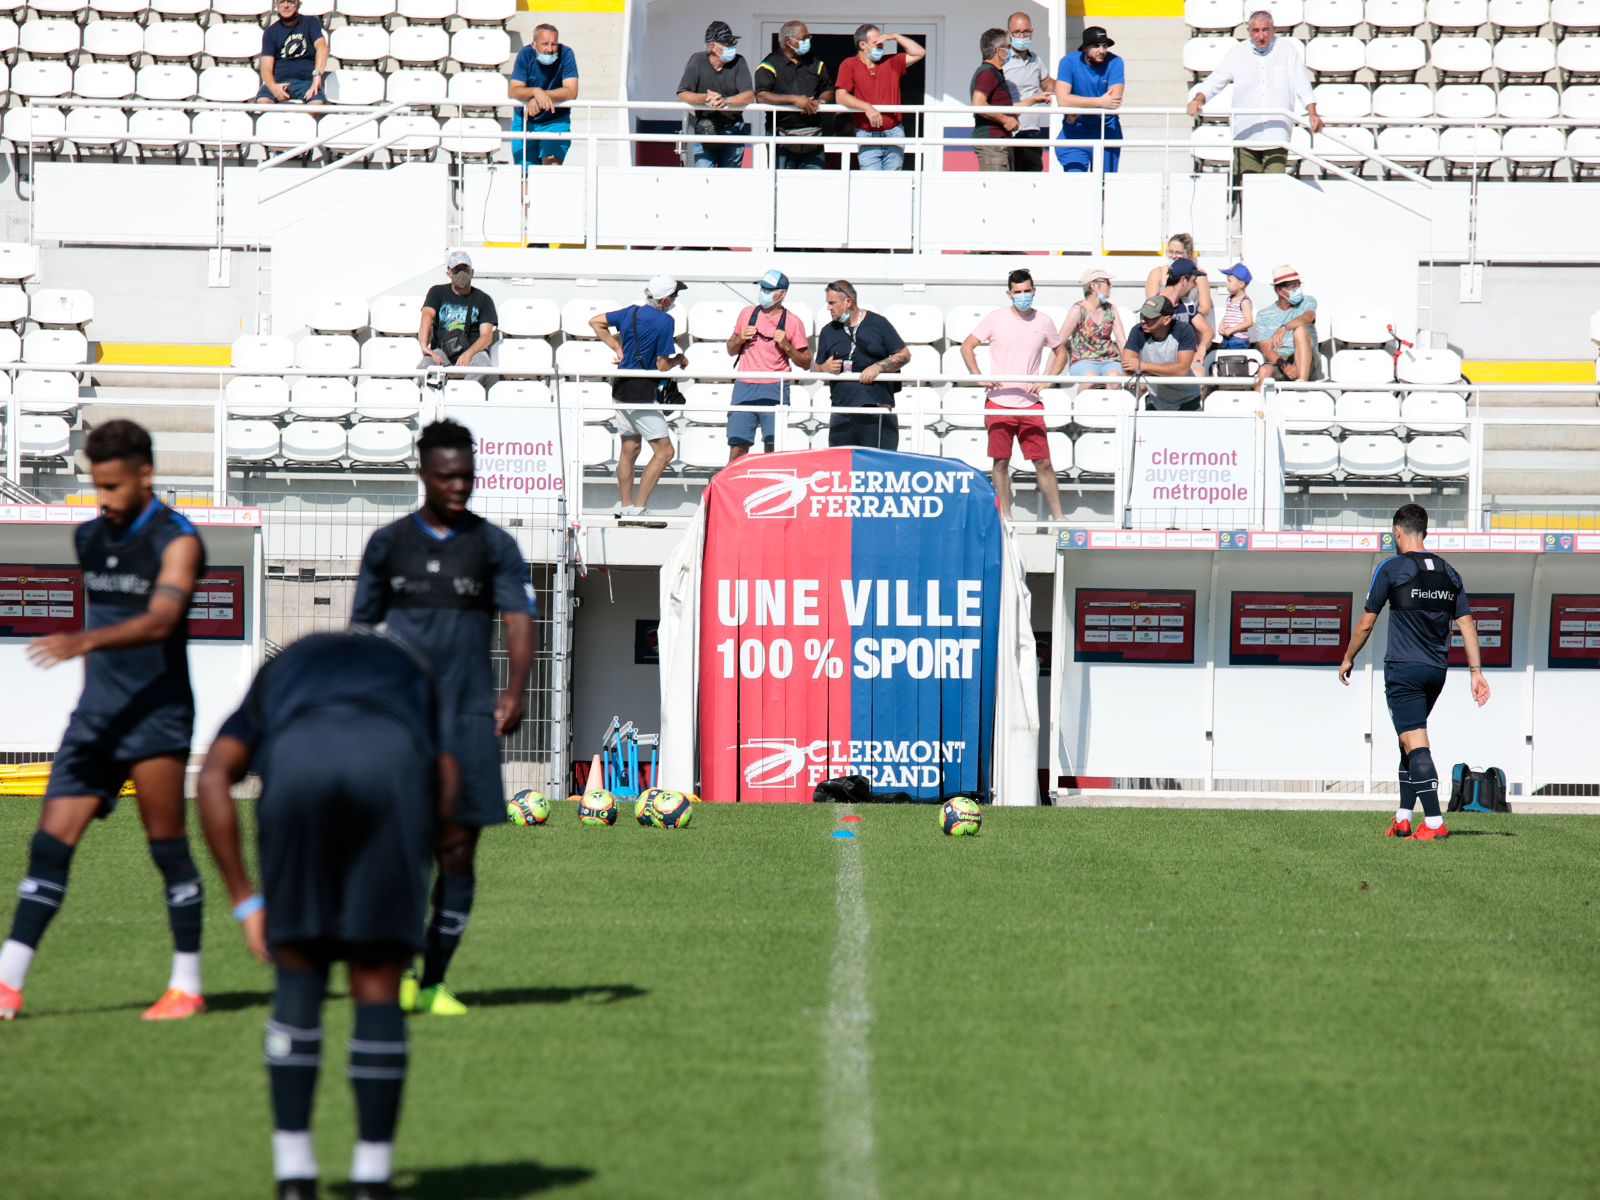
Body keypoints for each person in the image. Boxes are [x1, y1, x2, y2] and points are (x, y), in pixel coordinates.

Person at [196, 629, 459, 1199]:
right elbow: (447, 778)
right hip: (388, 771)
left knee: (299, 978)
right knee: (375, 982)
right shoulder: (414, 669)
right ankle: (371, 1179)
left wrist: (246, 901)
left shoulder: (281, 668)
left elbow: (213, 776)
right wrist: (426, 859)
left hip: (298, 769)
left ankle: (295, 1178)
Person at [1, 420, 206, 1022]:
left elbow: (163, 620)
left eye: (114, 486)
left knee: (167, 849)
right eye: (97, 486)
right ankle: (8, 983)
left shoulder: (178, 540)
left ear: (145, 474)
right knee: (48, 844)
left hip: (158, 717)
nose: (105, 499)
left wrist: (82, 642)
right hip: (95, 718)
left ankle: (187, 985)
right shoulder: (89, 537)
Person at [350, 419, 533, 1017]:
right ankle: (400, 970)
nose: (459, 487)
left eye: (467, 476)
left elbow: (517, 619)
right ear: (424, 474)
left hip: (470, 717)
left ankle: (433, 981)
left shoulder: (493, 545)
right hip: (401, 722)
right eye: (447, 477)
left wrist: (516, 689)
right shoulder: (388, 544)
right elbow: (361, 632)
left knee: (458, 850)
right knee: (401, 848)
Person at [1339, 503, 1490, 840]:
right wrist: (1476, 672)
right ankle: (1404, 817)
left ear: (1397, 532)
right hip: (1436, 671)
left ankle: (1434, 823)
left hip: (1404, 670)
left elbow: (1365, 624)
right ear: (1425, 531)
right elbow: (1467, 625)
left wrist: (1348, 657)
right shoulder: (1449, 572)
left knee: (1416, 743)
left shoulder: (1392, 568)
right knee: (1406, 741)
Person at [959, 269, 1069, 521]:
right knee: (1000, 462)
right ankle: (1005, 518)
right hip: (998, 402)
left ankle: (1060, 518)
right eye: (1017, 292)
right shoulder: (995, 318)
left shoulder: (1044, 320)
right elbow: (967, 346)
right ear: (1009, 294)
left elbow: (1061, 352)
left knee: (1043, 462)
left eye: (1026, 291)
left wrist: (1049, 380)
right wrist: (978, 376)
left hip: (1030, 404)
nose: (1022, 296)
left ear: (1034, 290)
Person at [590, 275, 688, 516]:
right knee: (665, 452)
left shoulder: (630, 312)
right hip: (641, 391)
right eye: (675, 296)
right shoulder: (665, 321)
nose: (675, 300)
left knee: (630, 449)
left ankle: (626, 508)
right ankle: (639, 509)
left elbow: (594, 322)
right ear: (665, 299)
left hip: (621, 387)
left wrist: (618, 348)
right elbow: (662, 365)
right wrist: (680, 359)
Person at [1187, 10, 1322, 177]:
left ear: (1273, 30)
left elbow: (1301, 84)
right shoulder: (1237, 53)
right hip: (1245, 133)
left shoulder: (1287, 50)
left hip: (1277, 133)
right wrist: (1198, 98)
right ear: (1249, 32)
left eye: (1265, 30)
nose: (1261, 36)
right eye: (1256, 31)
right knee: (1247, 191)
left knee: (1273, 187)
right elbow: (1216, 81)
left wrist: (1313, 113)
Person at [725, 268, 811, 461]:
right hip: (744, 386)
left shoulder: (793, 322)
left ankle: (770, 489)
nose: (763, 292)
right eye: (762, 287)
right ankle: (734, 490)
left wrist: (787, 346)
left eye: (768, 288)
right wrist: (739, 339)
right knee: (737, 448)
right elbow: (730, 349)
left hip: (775, 388)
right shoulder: (747, 313)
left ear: (782, 293)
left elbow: (806, 362)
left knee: (773, 450)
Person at [815, 280, 910, 449]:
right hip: (842, 411)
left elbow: (904, 354)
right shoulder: (827, 331)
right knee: (842, 469)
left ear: (848, 302)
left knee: (878, 468)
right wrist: (825, 368)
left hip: (876, 409)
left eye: (832, 303)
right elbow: (817, 368)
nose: (829, 308)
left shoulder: (878, 323)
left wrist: (878, 367)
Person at [836, 24, 925, 171]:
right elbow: (840, 96)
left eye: (882, 43)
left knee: (892, 184)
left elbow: (919, 53)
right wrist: (867, 107)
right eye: (876, 43)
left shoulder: (891, 61)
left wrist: (895, 36)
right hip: (867, 134)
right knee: (871, 185)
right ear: (862, 45)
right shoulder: (849, 64)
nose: (880, 45)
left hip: (894, 133)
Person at [754, 21, 834, 170]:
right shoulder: (769, 64)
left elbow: (828, 88)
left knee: (813, 188)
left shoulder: (816, 63)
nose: (807, 41)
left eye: (808, 37)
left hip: (813, 138)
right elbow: (761, 96)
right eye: (803, 38)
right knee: (781, 188)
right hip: (781, 139)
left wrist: (820, 102)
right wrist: (794, 100)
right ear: (788, 41)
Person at [676, 21, 753, 169]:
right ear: (713, 47)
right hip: (705, 127)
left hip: (733, 128)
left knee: (729, 182)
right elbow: (683, 94)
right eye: (728, 43)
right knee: (705, 179)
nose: (733, 46)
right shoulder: (697, 61)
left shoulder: (739, 61)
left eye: (733, 42)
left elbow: (749, 95)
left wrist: (726, 101)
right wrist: (705, 98)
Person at [419, 251, 497, 387]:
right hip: (442, 350)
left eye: (465, 269)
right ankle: (436, 399)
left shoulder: (483, 299)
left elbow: (487, 336)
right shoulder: (437, 292)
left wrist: (469, 353)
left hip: (473, 350)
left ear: (471, 271)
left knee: (484, 365)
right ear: (448, 273)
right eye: (456, 270)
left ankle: (462, 397)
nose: (461, 274)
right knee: (424, 366)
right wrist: (424, 346)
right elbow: (427, 316)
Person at [1054, 26, 1124, 172]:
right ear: (1084, 48)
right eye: (1096, 46)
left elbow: (1113, 101)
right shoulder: (1068, 61)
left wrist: (1077, 104)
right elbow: (1062, 100)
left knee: (1104, 186)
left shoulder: (1115, 61)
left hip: (1107, 130)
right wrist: (1099, 102)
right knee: (1076, 183)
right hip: (1074, 131)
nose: (1102, 51)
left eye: (1105, 46)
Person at [509, 23, 579, 167]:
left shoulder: (566, 54)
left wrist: (539, 98)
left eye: (554, 44)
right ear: (534, 44)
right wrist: (535, 92)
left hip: (555, 120)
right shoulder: (525, 54)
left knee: (551, 172)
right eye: (545, 44)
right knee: (525, 176)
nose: (550, 49)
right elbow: (513, 90)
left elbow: (571, 91)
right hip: (525, 120)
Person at [1144, 236, 1213, 374]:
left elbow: (1205, 307)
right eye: (1170, 252)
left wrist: (1189, 315)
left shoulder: (1198, 276)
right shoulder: (1157, 272)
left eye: (1178, 253)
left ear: (1188, 254)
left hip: (1189, 322)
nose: (1173, 256)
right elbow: (1152, 306)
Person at [1121, 295, 1201, 410]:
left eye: (1150, 316)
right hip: (1155, 399)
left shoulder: (1184, 330)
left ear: (1167, 320)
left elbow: (1182, 370)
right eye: (1143, 314)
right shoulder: (1137, 331)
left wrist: (1143, 366)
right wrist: (1169, 371)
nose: (1143, 319)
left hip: (1187, 400)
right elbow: (1128, 369)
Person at [1252, 262, 1322, 385]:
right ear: (1280, 291)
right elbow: (1265, 348)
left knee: (1300, 330)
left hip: (1308, 359)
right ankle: (1258, 402)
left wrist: (1284, 328)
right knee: (1263, 371)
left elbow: (1308, 317)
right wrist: (1285, 366)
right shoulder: (1263, 315)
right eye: (1293, 286)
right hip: (1281, 362)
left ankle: (1302, 386)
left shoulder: (1307, 301)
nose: (1298, 289)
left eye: (1299, 285)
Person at [1003, 11, 1056, 172]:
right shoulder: (1002, 59)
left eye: (1025, 31)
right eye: (1017, 32)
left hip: (1032, 133)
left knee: (1034, 181)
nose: (1022, 36)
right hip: (1011, 133)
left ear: (1031, 31)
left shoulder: (1035, 59)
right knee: (1013, 185)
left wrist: (1070, 81)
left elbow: (1048, 85)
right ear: (1008, 33)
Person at [257, 0, 327, 105]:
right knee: (263, 101)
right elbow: (266, 67)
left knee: (317, 103)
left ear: (299, 4)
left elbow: (322, 48)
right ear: (276, 5)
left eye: (290, 2)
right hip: (279, 81)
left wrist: (317, 75)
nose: (285, 6)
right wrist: (274, 88)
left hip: (306, 81)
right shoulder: (271, 32)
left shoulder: (310, 22)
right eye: (281, 2)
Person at [1060, 266, 1125, 377]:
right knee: (1090, 377)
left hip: (1110, 360)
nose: (1111, 285)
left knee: (1115, 377)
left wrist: (1130, 368)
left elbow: (1122, 341)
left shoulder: (1111, 309)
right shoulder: (1079, 310)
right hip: (1083, 360)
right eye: (1107, 282)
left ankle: (1109, 395)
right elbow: (1060, 341)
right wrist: (1048, 374)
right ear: (1093, 286)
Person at [970, 28, 1017, 171]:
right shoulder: (987, 73)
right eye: (1007, 47)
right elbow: (978, 104)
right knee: (997, 190)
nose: (1010, 51)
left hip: (1000, 141)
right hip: (992, 142)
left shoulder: (994, 73)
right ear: (998, 51)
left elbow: (1003, 106)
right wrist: (1006, 120)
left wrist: (1033, 100)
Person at [1218, 263, 1254, 349]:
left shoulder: (1244, 301)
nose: (1227, 284)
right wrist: (1222, 325)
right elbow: (1228, 314)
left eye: (1230, 281)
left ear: (1241, 284)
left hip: (1239, 340)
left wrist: (1232, 330)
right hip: (1227, 338)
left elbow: (1249, 322)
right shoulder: (1229, 299)